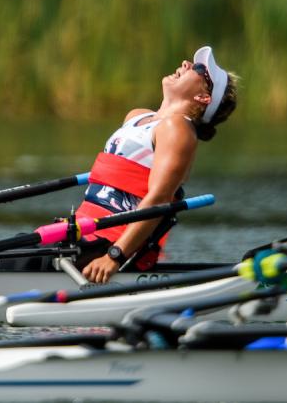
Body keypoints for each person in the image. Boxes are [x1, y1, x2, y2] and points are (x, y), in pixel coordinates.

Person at [77, 46, 238, 283]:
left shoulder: (177, 129)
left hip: (109, 244)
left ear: (203, 97)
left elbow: (160, 199)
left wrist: (114, 256)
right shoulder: (136, 116)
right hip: (82, 231)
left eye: (199, 69)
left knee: (22, 262)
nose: (186, 63)